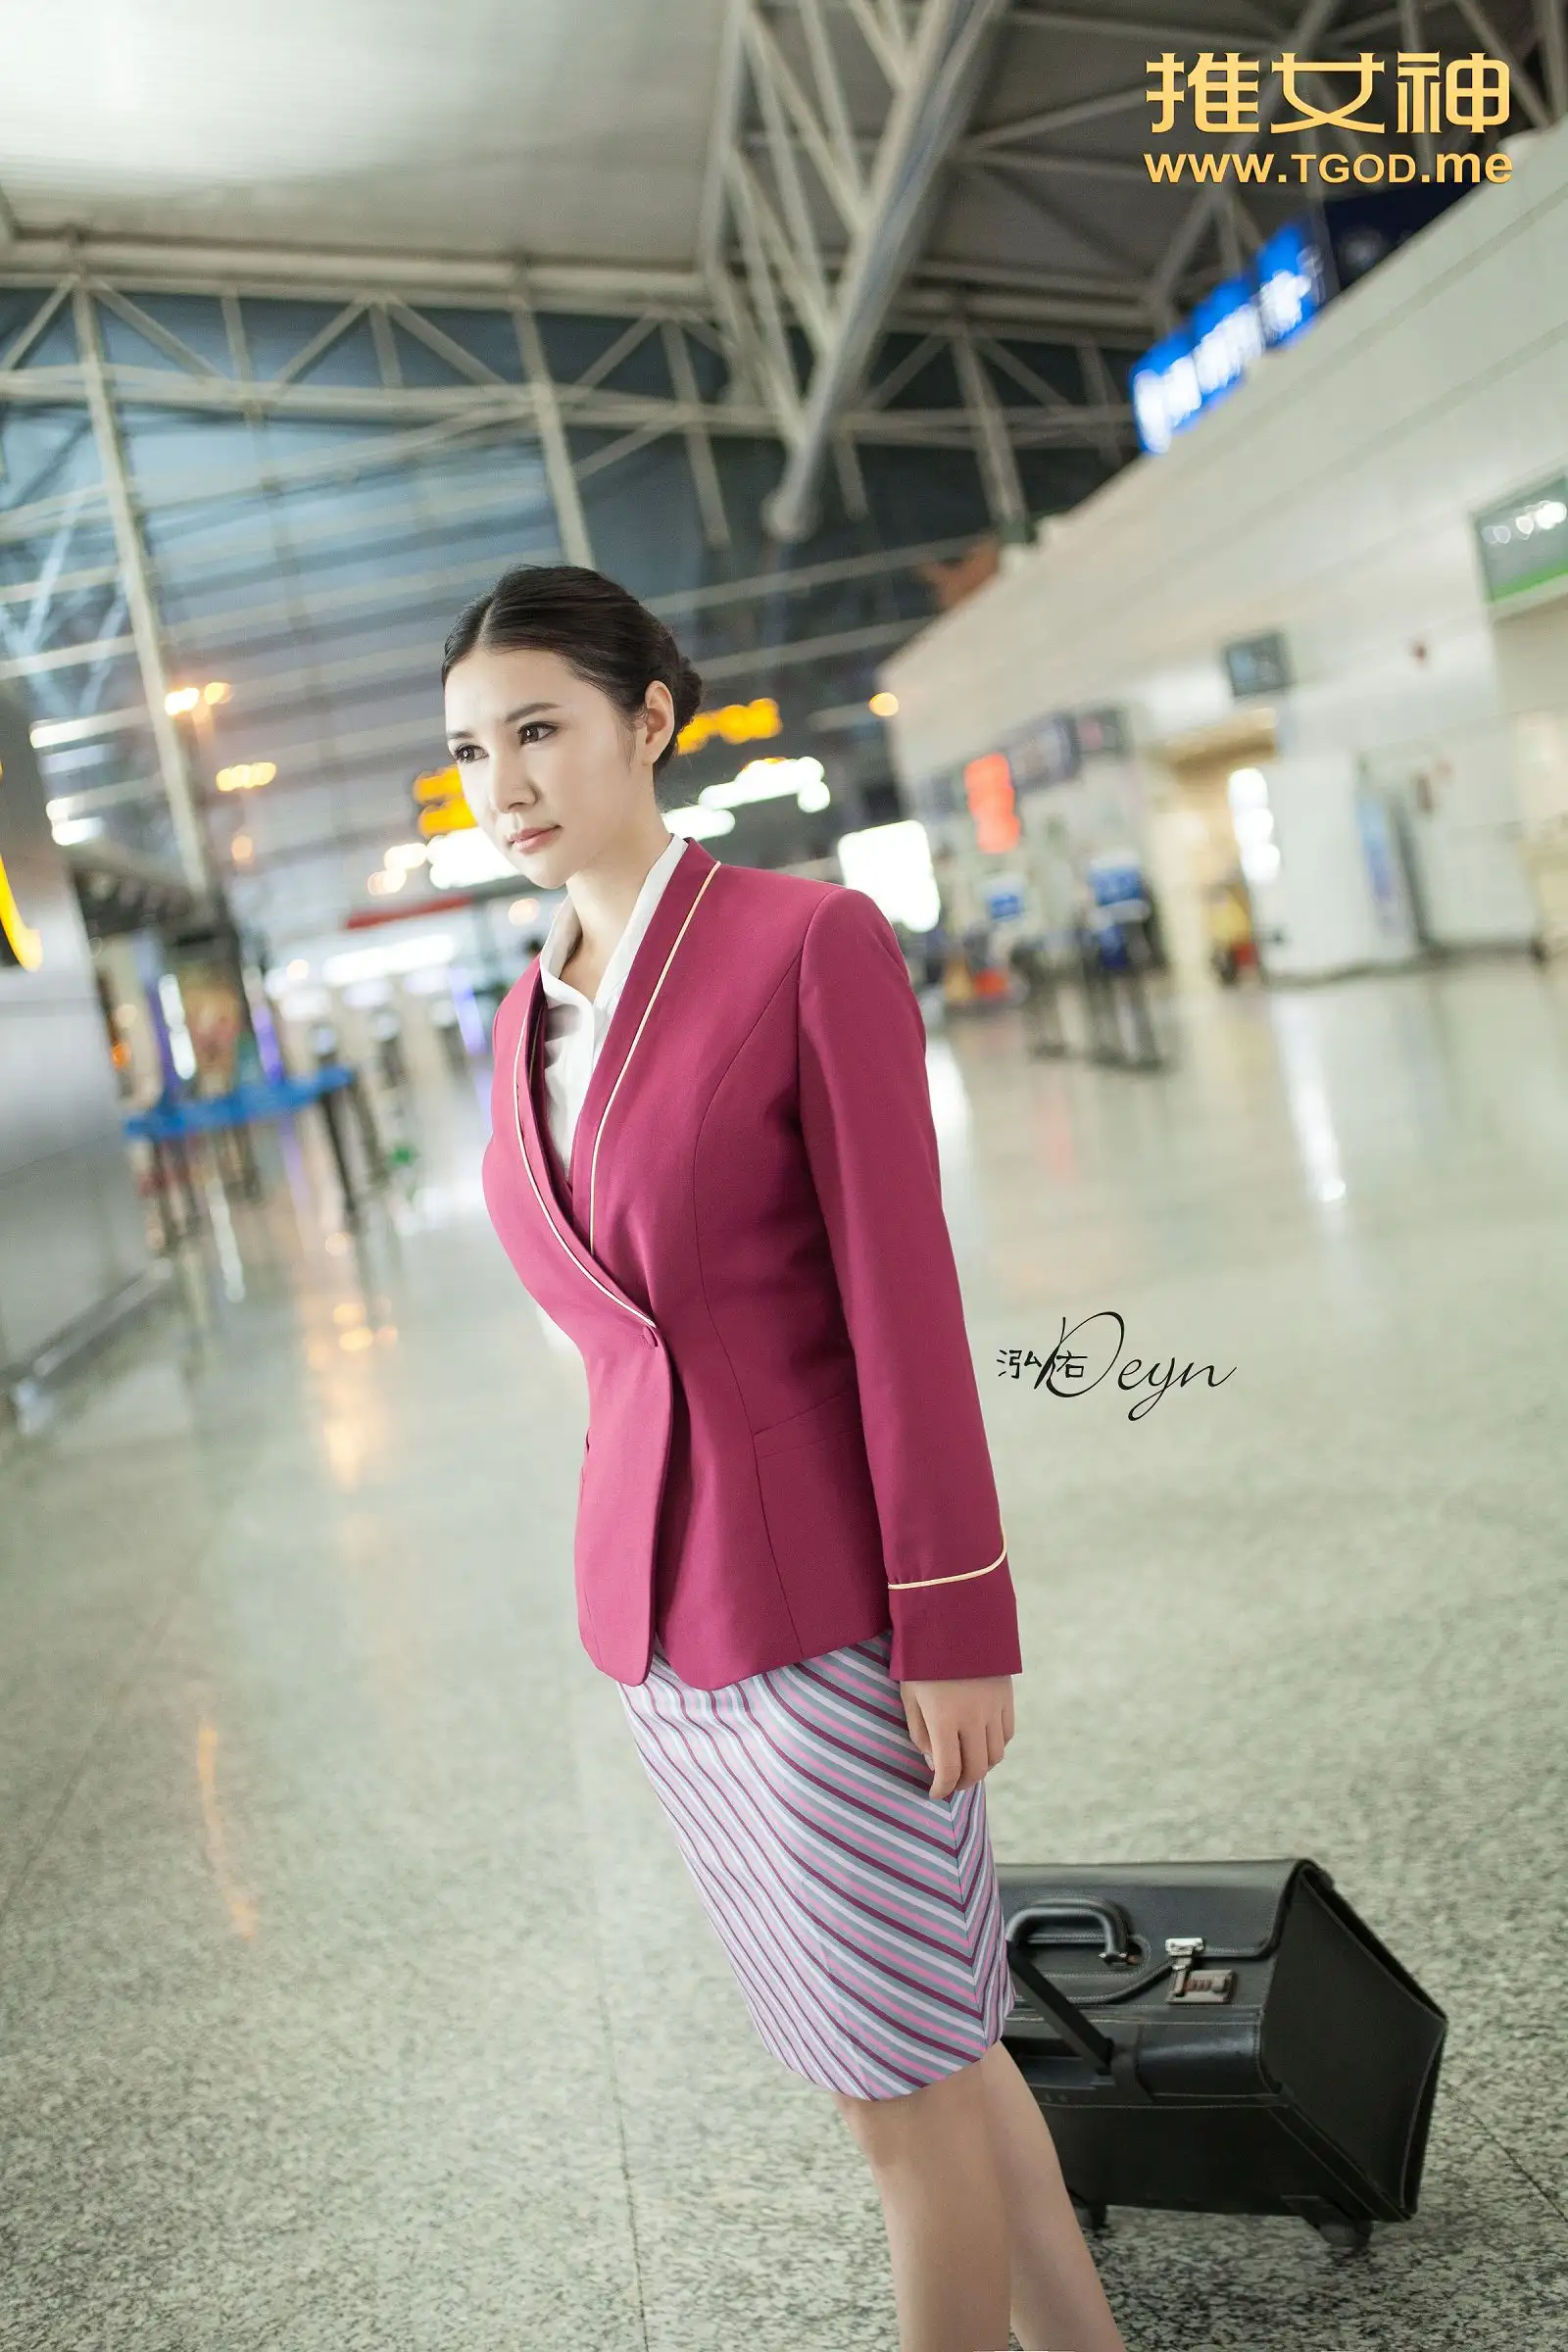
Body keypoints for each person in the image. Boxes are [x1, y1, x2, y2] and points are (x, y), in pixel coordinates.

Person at [442, 564, 1127, 2352]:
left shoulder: (803, 943)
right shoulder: (525, 1019)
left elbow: (905, 1305)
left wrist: (956, 1620)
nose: (505, 784)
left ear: (648, 722)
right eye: (471, 752)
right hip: (663, 1641)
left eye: (538, 730)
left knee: (900, 2100)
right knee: (931, 2055)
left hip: (830, 1621)